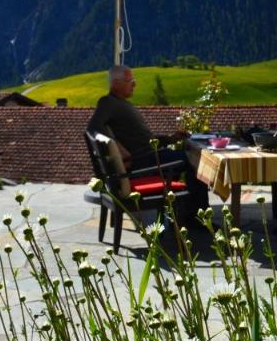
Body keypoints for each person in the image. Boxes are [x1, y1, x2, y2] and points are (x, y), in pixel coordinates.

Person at [87, 65, 209, 223]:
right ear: (116, 83)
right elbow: (93, 128)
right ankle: (197, 219)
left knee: (191, 157)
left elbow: (143, 139)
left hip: (150, 157)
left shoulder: (119, 103)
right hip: (145, 162)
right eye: (130, 81)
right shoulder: (108, 103)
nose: (134, 84)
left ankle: (185, 214)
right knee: (196, 161)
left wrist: (170, 139)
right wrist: (116, 146)